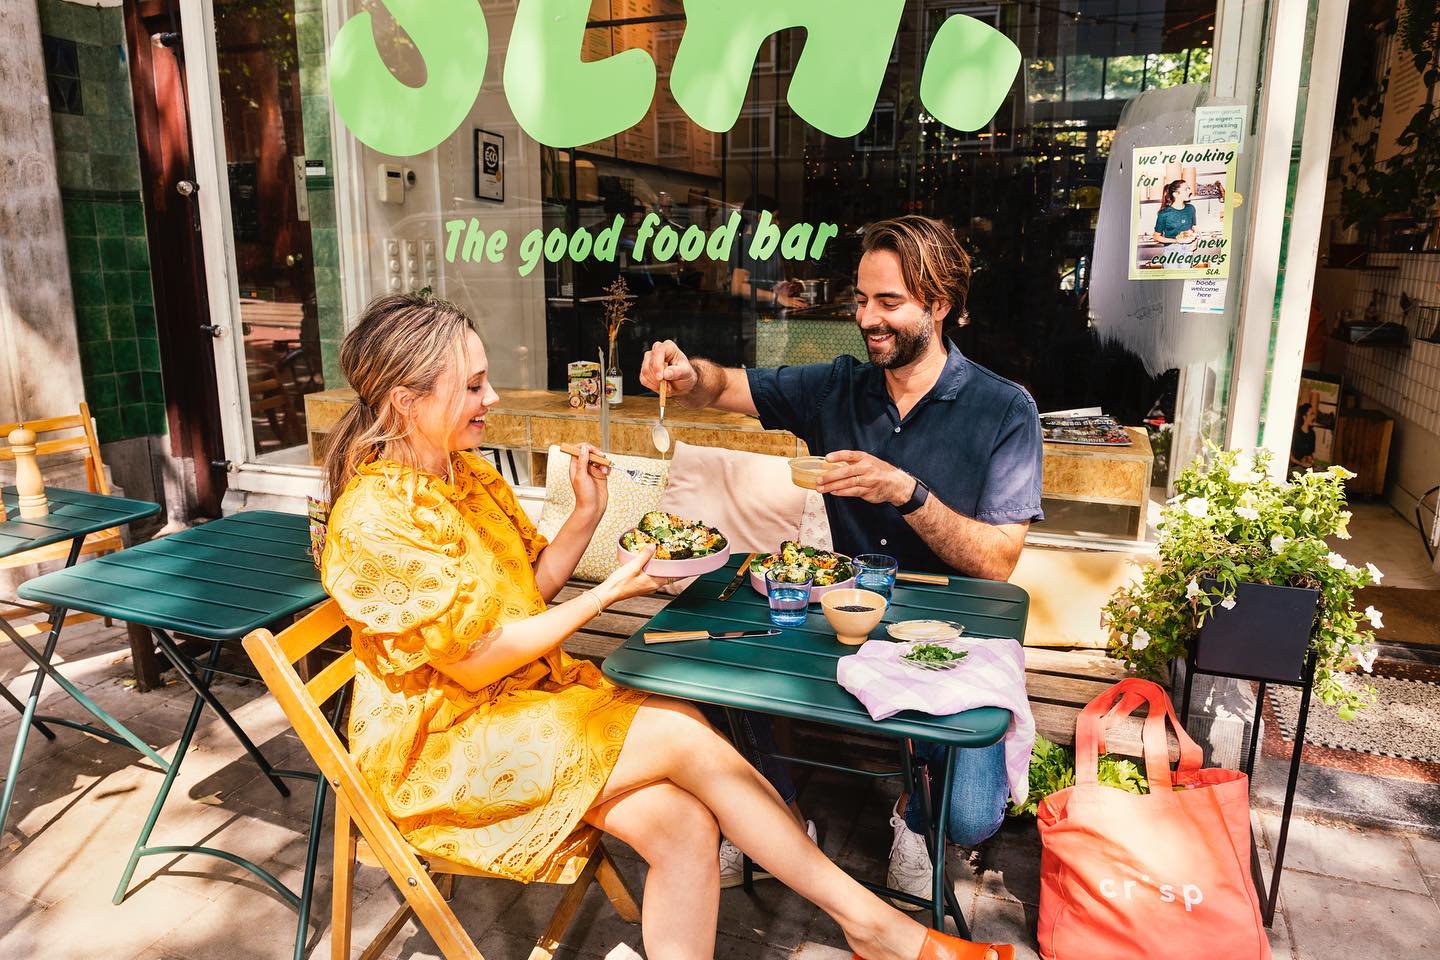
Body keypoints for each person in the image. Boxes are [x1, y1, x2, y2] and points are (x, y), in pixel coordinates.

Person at [319, 293, 1014, 960]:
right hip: (441, 747)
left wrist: (588, 513)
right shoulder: (376, 515)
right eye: (473, 387)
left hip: (519, 704)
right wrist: (605, 596)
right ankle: (880, 931)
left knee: (686, 824)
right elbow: (473, 659)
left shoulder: (465, 476)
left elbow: (525, 592)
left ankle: (876, 933)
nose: (492, 398)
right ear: (406, 401)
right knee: (683, 729)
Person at [639, 215, 1043, 906]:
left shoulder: (1003, 410)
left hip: (951, 631)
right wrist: (684, 373)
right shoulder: (837, 387)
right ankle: (778, 817)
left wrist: (906, 492)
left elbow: (998, 563)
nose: (867, 318)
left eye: (889, 302)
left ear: (940, 304)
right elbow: (723, 386)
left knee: (975, 816)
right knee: (719, 657)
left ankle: (914, 818)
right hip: (845, 614)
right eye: (861, 299)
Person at [1151, 180, 1197, 244]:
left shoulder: (1191, 208)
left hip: (1189, 248)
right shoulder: (1164, 213)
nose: (1190, 191)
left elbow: (1194, 229)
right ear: (1175, 194)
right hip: (1172, 248)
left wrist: (1195, 242)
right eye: (1186, 189)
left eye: (1189, 188)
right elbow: (1156, 236)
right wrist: (1177, 241)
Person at [1291, 402, 1317, 471]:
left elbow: (1309, 454)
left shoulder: (1312, 434)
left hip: (1305, 469)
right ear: (1304, 417)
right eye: (1311, 414)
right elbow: (1289, 456)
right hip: (1293, 468)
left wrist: (1311, 461)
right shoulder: (1295, 433)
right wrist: (1301, 464)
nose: (1314, 417)